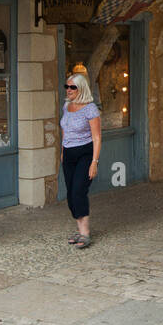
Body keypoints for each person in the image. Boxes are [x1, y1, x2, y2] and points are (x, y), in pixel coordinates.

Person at [60, 72, 102, 248]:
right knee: (70, 193)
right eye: (67, 86)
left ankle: (85, 233)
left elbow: (97, 137)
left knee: (79, 190)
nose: (69, 90)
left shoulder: (90, 109)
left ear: (81, 89)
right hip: (68, 154)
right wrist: (63, 151)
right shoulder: (67, 106)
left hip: (85, 153)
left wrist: (94, 162)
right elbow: (65, 129)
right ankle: (79, 230)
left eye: (72, 87)